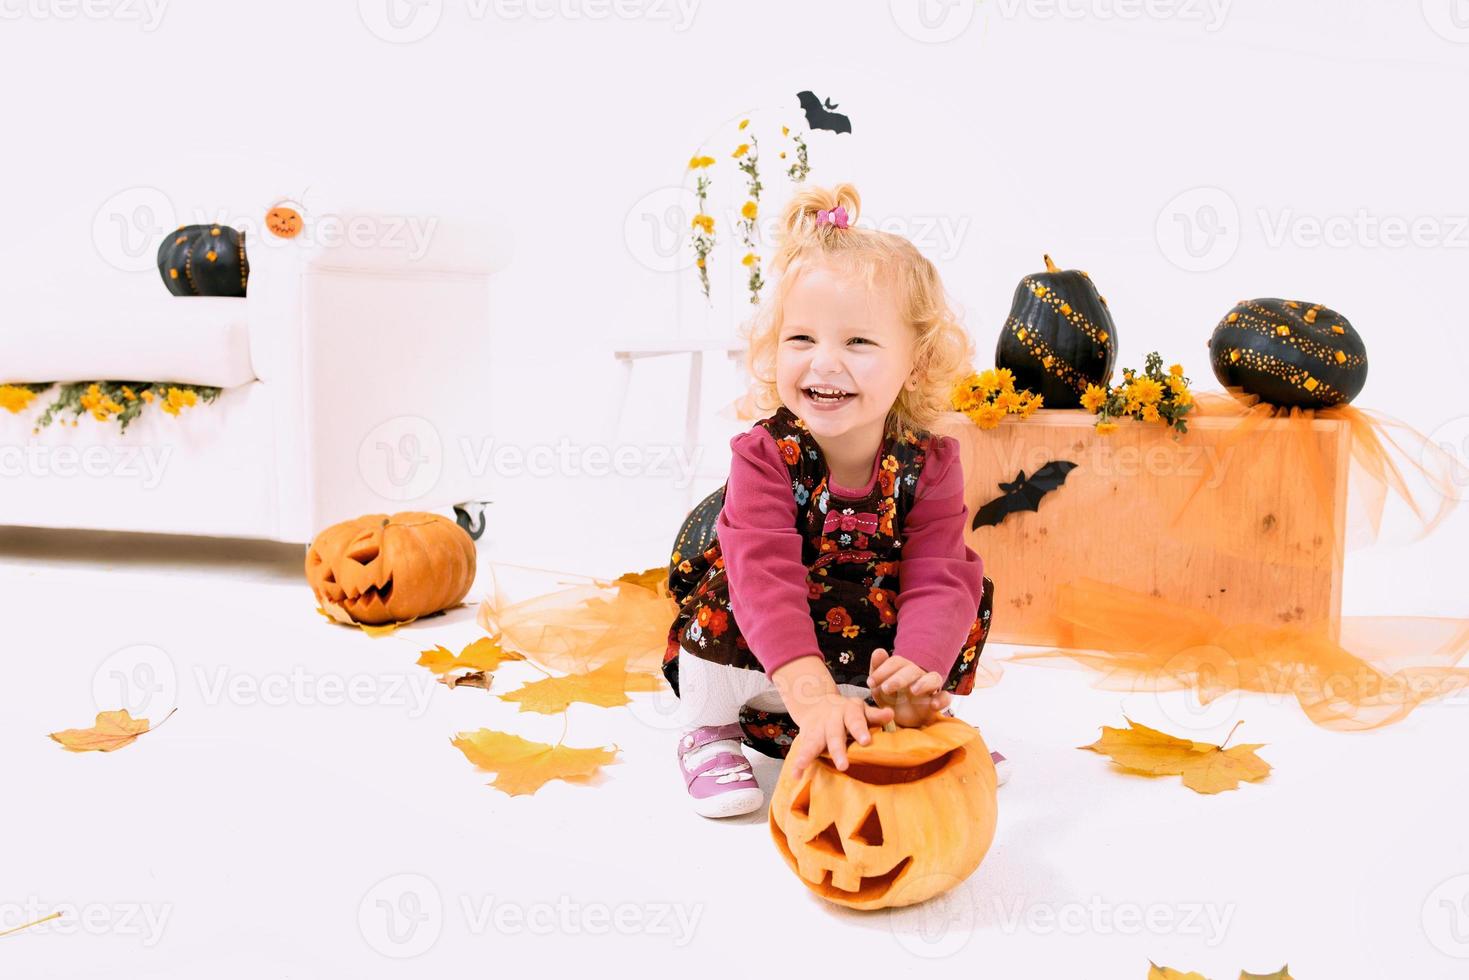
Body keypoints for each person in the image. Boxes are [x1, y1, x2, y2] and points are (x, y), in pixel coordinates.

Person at [663, 182, 1005, 818]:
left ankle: (895, 716)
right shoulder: (764, 457)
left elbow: (936, 575)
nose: (824, 364)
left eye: (858, 342)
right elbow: (764, 576)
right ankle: (709, 728)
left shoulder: (929, 466)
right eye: (801, 339)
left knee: (961, 590)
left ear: (919, 361)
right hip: (771, 639)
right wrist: (810, 693)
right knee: (735, 589)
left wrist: (916, 666)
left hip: (854, 635)